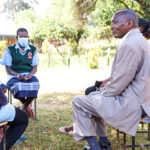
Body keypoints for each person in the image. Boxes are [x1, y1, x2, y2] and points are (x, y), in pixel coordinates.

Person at [71, 9, 150, 150]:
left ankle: (96, 147)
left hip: (133, 104)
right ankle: (104, 143)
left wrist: (101, 93)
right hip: (140, 100)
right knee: (94, 98)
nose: (111, 27)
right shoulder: (140, 40)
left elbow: (119, 83)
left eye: (115, 22)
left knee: (79, 102)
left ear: (129, 23)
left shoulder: (130, 44)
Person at [0, 28, 40, 116]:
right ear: (17, 37)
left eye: (25, 36)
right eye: (21, 36)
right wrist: (17, 74)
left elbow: (35, 67)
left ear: (28, 37)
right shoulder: (10, 49)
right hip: (13, 76)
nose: (23, 38)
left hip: (28, 75)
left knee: (35, 85)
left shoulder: (33, 49)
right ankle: (26, 105)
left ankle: (24, 106)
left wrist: (31, 74)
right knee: (18, 86)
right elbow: (8, 68)